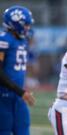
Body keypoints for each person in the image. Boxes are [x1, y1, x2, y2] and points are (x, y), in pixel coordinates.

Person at [0, 5, 35, 135]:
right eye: (25, 25)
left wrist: (20, 93)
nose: (28, 28)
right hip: (3, 98)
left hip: (18, 98)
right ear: (16, 23)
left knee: (23, 130)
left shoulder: (22, 41)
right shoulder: (3, 40)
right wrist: (20, 91)